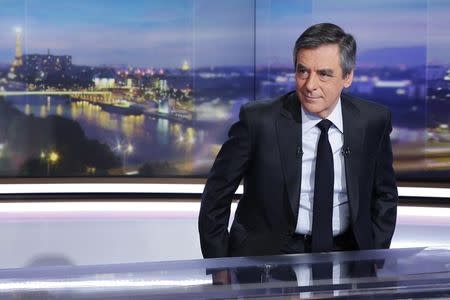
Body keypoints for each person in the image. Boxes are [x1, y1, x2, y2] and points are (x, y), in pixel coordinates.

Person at [199, 23, 398, 259]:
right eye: (303, 71)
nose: (310, 85)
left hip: (349, 253)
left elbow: (385, 194)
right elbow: (216, 197)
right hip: (268, 255)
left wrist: (375, 253)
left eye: (324, 74)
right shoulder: (258, 121)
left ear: (347, 77)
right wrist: (220, 267)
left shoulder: (373, 120)